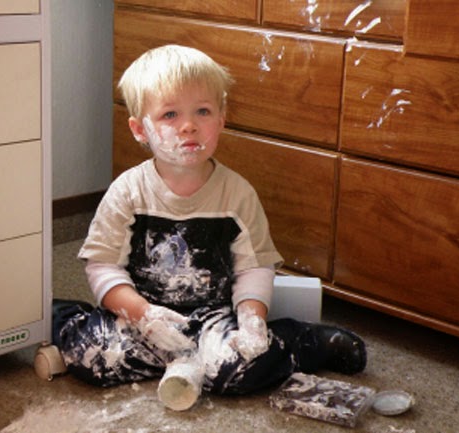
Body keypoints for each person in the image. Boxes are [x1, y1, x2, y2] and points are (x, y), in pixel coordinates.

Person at [52, 44, 366, 401]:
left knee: (235, 371)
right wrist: (143, 314)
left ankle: (308, 342)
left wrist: (252, 322)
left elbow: (254, 267)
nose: (188, 125)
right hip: (142, 315)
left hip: (212, 320)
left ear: (221, 119)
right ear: (140, 129)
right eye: (170, 114)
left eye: (202, 111)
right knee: (95, 358)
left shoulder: (237, 194)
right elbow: (103, 266)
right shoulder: (127, 191)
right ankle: (58, 315)